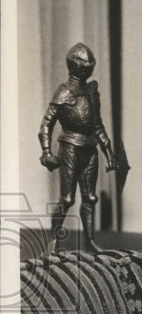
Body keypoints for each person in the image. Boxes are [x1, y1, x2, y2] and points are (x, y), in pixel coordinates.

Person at [38, 43, 119, 253]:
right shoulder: (64, 92)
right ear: (76, 66)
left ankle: (89, 242)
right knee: (67, 198)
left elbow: (97, 125)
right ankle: (53, 242)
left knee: (90, 197)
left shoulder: (92, 91)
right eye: (85, 64)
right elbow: (47, 123)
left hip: (90, 147)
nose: (89, 67)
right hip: (71, 147)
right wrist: (46, 152)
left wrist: (108, 151)